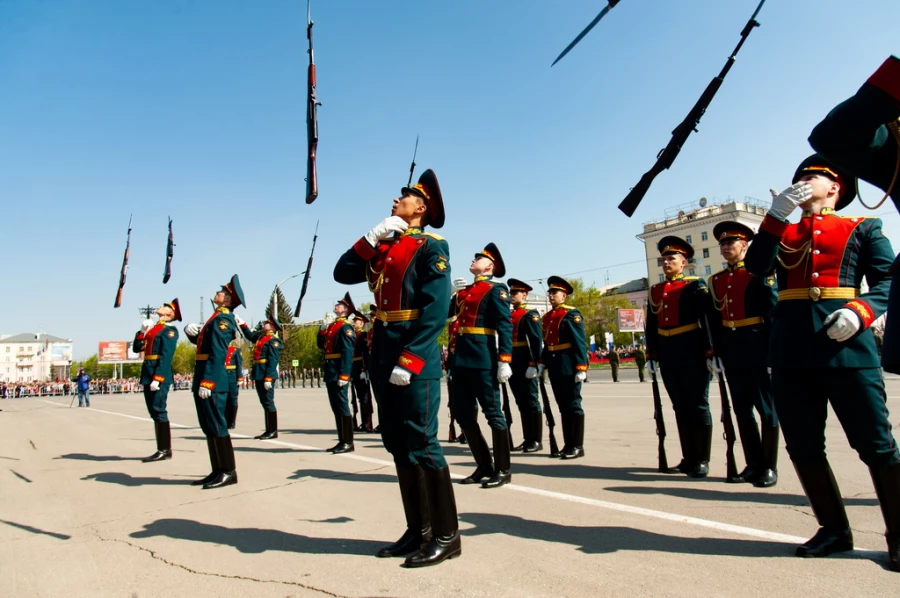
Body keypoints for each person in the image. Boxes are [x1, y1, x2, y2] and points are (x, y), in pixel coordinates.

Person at [745, 154, 899, 570]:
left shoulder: (863, 227)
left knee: (877, 445)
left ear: (836, 187)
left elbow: (889, 279)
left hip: (848, 348)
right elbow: (755, 268)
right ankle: (833, 529)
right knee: (804, 446)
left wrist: (862, 311)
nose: (801, 181)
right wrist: (775, 218)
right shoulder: (784, 232)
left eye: (810, 176)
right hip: (791, 350)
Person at [334, 168, 459, 567]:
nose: (394, 201)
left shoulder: (431, 246)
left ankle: (446, 535)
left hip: (410, 354)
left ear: (420, 207)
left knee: (422, 444)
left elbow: (436, 309)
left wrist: (412, 358)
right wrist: (371, 237)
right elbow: (343, 273)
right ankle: (418, 531)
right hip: (383, 350)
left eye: (403, 197)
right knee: (397, 444)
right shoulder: (386, 247)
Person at [709, 221, 779, 487]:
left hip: (757, 346)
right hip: (732, 349)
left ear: (744, 245)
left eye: (731, 243)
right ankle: (752, 464)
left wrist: (773, 353)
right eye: (723, 244)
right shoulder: (716, 280)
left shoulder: (759, 273)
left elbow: (772, 313)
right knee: (741, 411)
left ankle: (769, 466)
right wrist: (715, 351)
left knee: (767, 411)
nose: (727, 247)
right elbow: (715, 320)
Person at [645, 237, 713, 478]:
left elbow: (707, 322)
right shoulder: (655, 291)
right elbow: (650, 326)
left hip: (691, 350)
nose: (666, 262)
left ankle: (702, 459)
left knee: (698, 405)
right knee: (679, 407)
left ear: (683, 262)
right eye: (663, 259)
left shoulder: (695, 286)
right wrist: (651, 355)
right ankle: (688, 458)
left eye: (671, 258)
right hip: (667, 352)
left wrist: (710, 351)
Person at [452, 243, 513, 488]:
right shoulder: (465, 292)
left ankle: (503, 469)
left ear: (489, 266)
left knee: (493, 415)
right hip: (462, 360)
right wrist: (451, 292)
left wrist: (504, 360)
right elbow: (447, 316)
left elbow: (505, 325)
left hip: (483, 358)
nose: (473, 260)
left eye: (478, 258)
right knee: (464, 415)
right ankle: (484, 465)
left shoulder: (496, 290)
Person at [183, 275, 244, 490]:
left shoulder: (222, 319)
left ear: (227, 300)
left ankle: (228, 471)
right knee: (209, 426)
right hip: (205, 374)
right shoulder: (216, 317)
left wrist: (207, 382)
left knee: (218, 425)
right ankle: (217, 469)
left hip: (213, 379)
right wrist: (191, 333)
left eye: (222, 292)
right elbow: (206, 345)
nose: (217, 293)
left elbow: (218, 352)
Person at [538, 276, 588, 459]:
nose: (551, 295)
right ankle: (568, 444)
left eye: (554, 292)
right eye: (549, 292)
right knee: (562, 407)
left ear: (564, 296)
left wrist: (581, 367)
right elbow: (546, 343)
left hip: (568, 364)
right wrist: (542, 363)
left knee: (573, 405)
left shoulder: (571, 314)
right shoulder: (548, 317)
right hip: (554, 364)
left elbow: (579, 342)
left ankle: (577, 445)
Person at [132, 299, 181, 462]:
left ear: (169, 314)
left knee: (159, 410)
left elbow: (166, 355)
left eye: (165, 306)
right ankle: (162, 448)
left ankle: (164, 449)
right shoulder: (155, 329)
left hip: (158, 374)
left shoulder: (169, 330)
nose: (161, 306)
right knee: (153, 411)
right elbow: (137, 348)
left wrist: (158, 378)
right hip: (148, 371)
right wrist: (141, 331)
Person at [506, 278, 543, 453]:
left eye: (515, 293)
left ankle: (536, 439)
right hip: (513, 362)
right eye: (510, 292)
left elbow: (536, 341)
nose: (511, 296)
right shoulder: (510, 314)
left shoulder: (530, 314)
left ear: (525, 295)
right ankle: (527, 438)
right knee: (521, 401)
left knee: (531, 401)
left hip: (525, 360)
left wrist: (533, 364)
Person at [317, 293, 357, 453]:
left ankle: (348, 442)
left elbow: (348, 352)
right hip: (331, 369)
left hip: (338, 370)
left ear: (346, 310)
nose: (336, 305)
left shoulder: (345, 327)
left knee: (342, 405)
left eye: (340, 304)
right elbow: (321, 345)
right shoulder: (334, 326)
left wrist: (344, 374)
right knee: (336, 407)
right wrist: (322, 330)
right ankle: (342, 440)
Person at [238, 314, 283, 440]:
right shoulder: (262, 338)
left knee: (268, 402)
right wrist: (243, 324)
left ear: (272, 327)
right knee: (264, 402)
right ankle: (268, 430)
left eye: (267, 323)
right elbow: (250, 336)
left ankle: (273, 431)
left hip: (265, 374)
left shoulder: (273, 341)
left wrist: (269, 378)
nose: (264, 324)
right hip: (259, 372)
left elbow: (273, 360)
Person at [351, 311, 375, 432]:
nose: (354, 323)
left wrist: (364, 369)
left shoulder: (364, 335)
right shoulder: (353, 335)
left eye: (356, 321)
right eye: (354, 321)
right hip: (353, 367)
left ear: (361, 323)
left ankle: (367, 423)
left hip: (361, 366)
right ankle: (362, 422)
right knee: (358, 397)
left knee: (365, 397)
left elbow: (365, 353)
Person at [224, 339, 242, 429]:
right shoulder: (220, 349)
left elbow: (239, 364)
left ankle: (232, 421)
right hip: (222, 376)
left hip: (232, 376)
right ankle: (225, 420)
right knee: (224, 399)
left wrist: (240, 377)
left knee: (232, 399)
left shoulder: (235, 350)